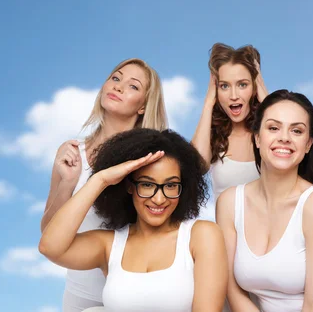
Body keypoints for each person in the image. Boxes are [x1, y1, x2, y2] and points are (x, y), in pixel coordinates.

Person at [39, 129, 228, 312]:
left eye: (170, 185)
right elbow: (50, 247)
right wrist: (100, 180)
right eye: (147, 184)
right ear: (129, 186)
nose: (159, 199)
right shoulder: (110, 244)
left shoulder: (202, 235)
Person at [39, 58, 168, 312]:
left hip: (131, 295)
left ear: (143, 106)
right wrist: (68, 184)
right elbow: (48, 232)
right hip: (78, 293)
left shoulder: (148, 159)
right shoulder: (72, 152)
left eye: (133, 86)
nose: (118, 87)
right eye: (116, 78)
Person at [216, 90, 313, 312]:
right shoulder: (229, 203)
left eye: (296, 130)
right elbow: (232, 290)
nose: (284, 137)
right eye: (273, 128)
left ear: (307, 145)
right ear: (257, 137)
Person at [192, 43, 269, 203]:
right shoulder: (212, 134)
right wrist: (208, 102)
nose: (234, 95)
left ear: (254, 87)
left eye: (242, 85)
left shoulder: (269, 133)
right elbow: (196, 167)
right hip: (223, 228)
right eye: (224, 86)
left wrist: (267, 100)